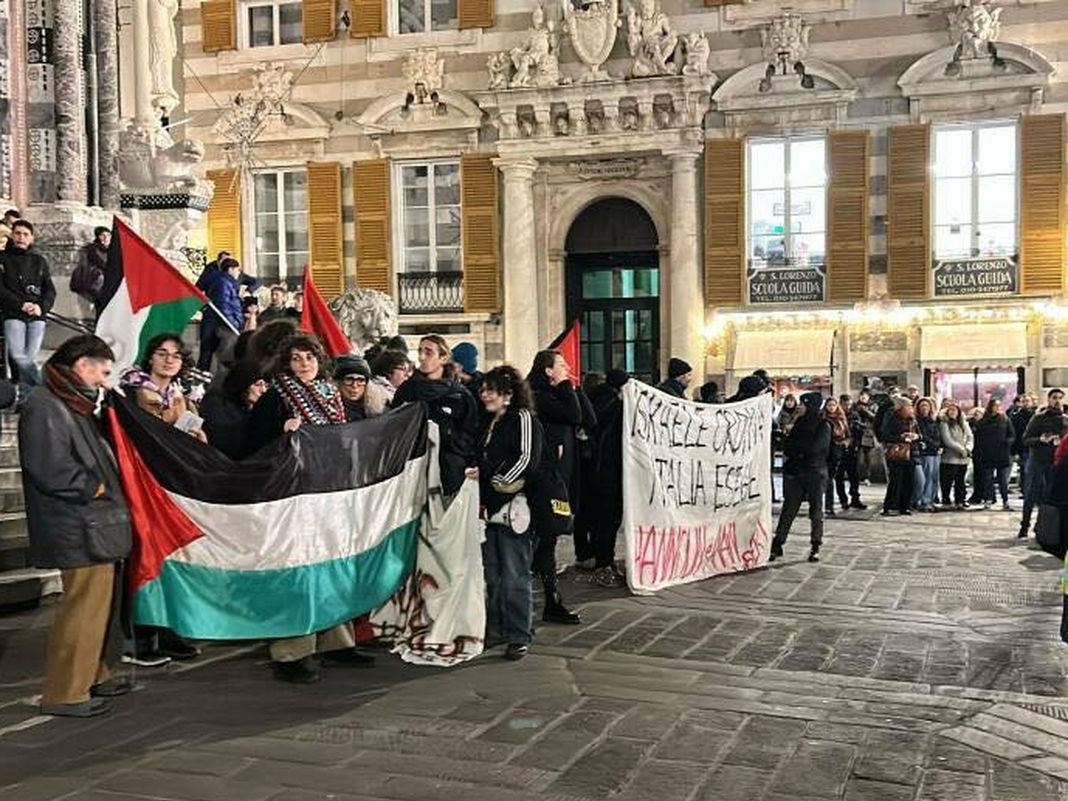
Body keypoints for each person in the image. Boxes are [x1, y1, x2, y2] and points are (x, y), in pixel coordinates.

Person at [246, 333, 374, 682]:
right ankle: (291, 651)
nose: (304, 363)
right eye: (297, 358)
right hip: (293, 496)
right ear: (287, 362)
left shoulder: (332, 396)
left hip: (329, 494)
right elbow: (251, 444)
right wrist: (281, 433)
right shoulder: (276, 398)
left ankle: (336, 642)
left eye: (310, 357)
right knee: (298, 572)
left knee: (334, 567)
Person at [20, 335, 131, 717]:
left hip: (93, 522)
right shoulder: (46, 405)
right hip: (78, 523)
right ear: (82, 364)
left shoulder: (71, 402)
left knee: (100, 608)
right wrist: (94, 485)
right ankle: (66, 691)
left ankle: (94, 675)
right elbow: (49, 467)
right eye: (102, 371)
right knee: (83, 608)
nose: (104, 380)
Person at [119, 333, 207, 664]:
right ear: (150, 358)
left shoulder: (184, 396)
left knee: (174, 562)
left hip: (176, 487)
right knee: (147, 559)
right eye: (162, 354)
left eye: (176, 356)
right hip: (145, 485)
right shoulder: (131, 391)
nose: (169, 360)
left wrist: (198, 439)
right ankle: (144, 637)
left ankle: (171, 630)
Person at [477, 365, 544, 661]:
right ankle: (499, 627)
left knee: (515, 573)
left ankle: (518, 633)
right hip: (490, 511)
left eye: (490, 389)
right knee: (493, 573)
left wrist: (497, 480)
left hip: (514, 510)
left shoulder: (522, 418)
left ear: (507, 394)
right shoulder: (492, 422)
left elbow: (527, 457)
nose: (484, 395)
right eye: (483, 389)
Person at [528, 349, 583, 624]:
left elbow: (584, 415)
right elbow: (573, 415)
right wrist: (564, 385)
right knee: (537, 539)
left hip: (551, 477)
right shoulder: (537, 396)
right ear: (547, 370)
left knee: (547, 539)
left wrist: (571, 386)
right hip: (537, 480)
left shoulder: (550, 393)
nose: (567, 367)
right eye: (561, 365)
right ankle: (533, 602)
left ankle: (552, 601)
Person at [392, 335, 479, 499]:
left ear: (443, 358)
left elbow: (470, 433)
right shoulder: (407, 391)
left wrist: (449, 441)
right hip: (413, 471)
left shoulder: (460, 395)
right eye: (420, 351)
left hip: (450, 473)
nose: (421, 357)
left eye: (428, 352)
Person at [771, 392, 830, 563]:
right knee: (789, 509)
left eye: (803, 404)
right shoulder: (798, 424)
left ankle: (815, 545)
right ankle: (778, 543)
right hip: (796, 472)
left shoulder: (823, 425)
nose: (799, 407)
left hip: (815, 472)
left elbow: (816, 448)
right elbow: (789, 448)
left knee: (816, 511)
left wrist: (795, 446)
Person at [0, 220, 55, 386]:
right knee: (18, 355)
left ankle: (26, 399)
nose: (21, 238)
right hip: (13, 314)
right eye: (17, 233)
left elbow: (50, 290)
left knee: (29, 358)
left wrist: (41, 307)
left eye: (25, 234)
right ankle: (43, 386)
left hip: (37, 316)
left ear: (31, 238)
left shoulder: (39, 261)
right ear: (12, 235)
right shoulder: (2, 259)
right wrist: (20, 304)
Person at [586, 368, 628, 587]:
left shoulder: (597, 400)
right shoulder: (615, 406)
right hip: (609, 469)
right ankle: (604, 562)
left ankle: (602, 559)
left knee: (602, 517)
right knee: (609, 518)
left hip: (599, 468)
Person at [1020, 389, 1066, 538]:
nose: (1057, 401)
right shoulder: (1038, 418)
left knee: (1050, 496)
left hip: (1056, 463)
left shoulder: (1065, 419)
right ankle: (1024, 526)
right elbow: (1025, 439)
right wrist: (1040, 439)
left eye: (1060, 398)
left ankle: (1043, 528)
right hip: (1038, 461)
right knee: (1031, 494)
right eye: (1054, 398)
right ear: (1049, 399)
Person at [200, 360, 267, 460]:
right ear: (243, 383)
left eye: (266, 385)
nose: (263, 390)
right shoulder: (216, 406)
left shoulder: (254, 412)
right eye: (258, 385)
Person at [197, 257, 244, 372]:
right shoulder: (224, 283)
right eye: (238, 270)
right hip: (222, 325)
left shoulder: (222, 281)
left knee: (208, 356)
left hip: (216, 323)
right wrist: (235, 324)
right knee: (223, 358)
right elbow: (223, 307)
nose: (239, 273)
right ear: (231, 269)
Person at [881, 397, 919, 516]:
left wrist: (916, 436)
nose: (911, 409)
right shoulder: (891, 418)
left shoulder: (912, 420)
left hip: (910, 452)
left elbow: (919, 434)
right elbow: (885, 436)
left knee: (909, 481)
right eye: (908, 406)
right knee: (896, 481)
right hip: (896, 453)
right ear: (901, 407)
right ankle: (891, 506)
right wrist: (901, 437)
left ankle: (905, 506)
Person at [974, 398, 1014, 511]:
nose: (997, 408)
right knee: (988, 479)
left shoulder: (1005, 420)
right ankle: (988, 499)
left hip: (1001, 452)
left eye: (999, 405)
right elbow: (979, 438)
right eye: (995, 405)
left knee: (1002, 479)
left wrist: (1007, 443)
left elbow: (1011, 435)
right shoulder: (983, 421)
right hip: (988, 453)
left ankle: (1005, 500)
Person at [333, 354, 389, 421]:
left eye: (360, 380)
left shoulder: (379, 410)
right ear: (339, 382)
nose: (354, 385)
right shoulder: (329, 410)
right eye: (349, 379)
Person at [939, 401, 973, 509]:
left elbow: (970, 437)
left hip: (963, 458)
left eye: (955, 410)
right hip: (949, 457)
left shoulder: (963, 423)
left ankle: (960, 499)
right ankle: (946, 499)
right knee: (947, 480)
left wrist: (968, 448)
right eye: (950, 410)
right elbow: (947, 439)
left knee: (960, 480)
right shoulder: (944, 423)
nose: (953, 412)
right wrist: (960, 449)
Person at [913, 397, 942, 512]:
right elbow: (922, 436)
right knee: (926, 477)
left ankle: (930, 499)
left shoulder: (934, 421)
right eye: (922, 406)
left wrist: (939, 446)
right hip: (925, 453)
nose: (924, 408)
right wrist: (932, 443)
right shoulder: (917, 421)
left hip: (935, 452)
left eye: (926, 406)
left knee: (934, 478)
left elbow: (937, 435)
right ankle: (923, 501)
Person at [823, 396, 850, 517]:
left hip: (838, 451)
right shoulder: (822, 418)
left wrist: (846, 443)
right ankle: (828, 506)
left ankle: (837, 503)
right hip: (825, 452)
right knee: (828, 480)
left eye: (833, 405)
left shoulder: (841, 418)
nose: (831, 408)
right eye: (829, 405)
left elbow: (847, 434)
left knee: (833, 479)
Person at [70, 226, 109, 309]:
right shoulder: (93, 248)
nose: (106, 238)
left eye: (108, 235)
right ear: (98, 236)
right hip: (93, 281)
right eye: (102, 235)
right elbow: (100, 263)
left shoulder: (109, 250)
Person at [1011, 393, 1036, 498]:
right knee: (1025, 471)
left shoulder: (1036, 415)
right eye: (1023, 401)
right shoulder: (1016, 416)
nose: (1025, 403)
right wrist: (1014, 451)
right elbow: (1015, 434)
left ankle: (1033, 492)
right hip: (1023, 448)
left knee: (1034, 471)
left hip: (1035, 447)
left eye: (1027, 401)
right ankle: (1026, 492)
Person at [853, 389, 877, 484]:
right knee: (858, 457)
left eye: (865, 396)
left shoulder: (873, 406)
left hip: (868, 433)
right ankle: (857, 476)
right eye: (861, 395)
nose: (862, 397)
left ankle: (867, 477)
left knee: (868, 458)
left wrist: (865, 412)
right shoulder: (856, 406)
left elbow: (876, 418)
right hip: (858, 433)